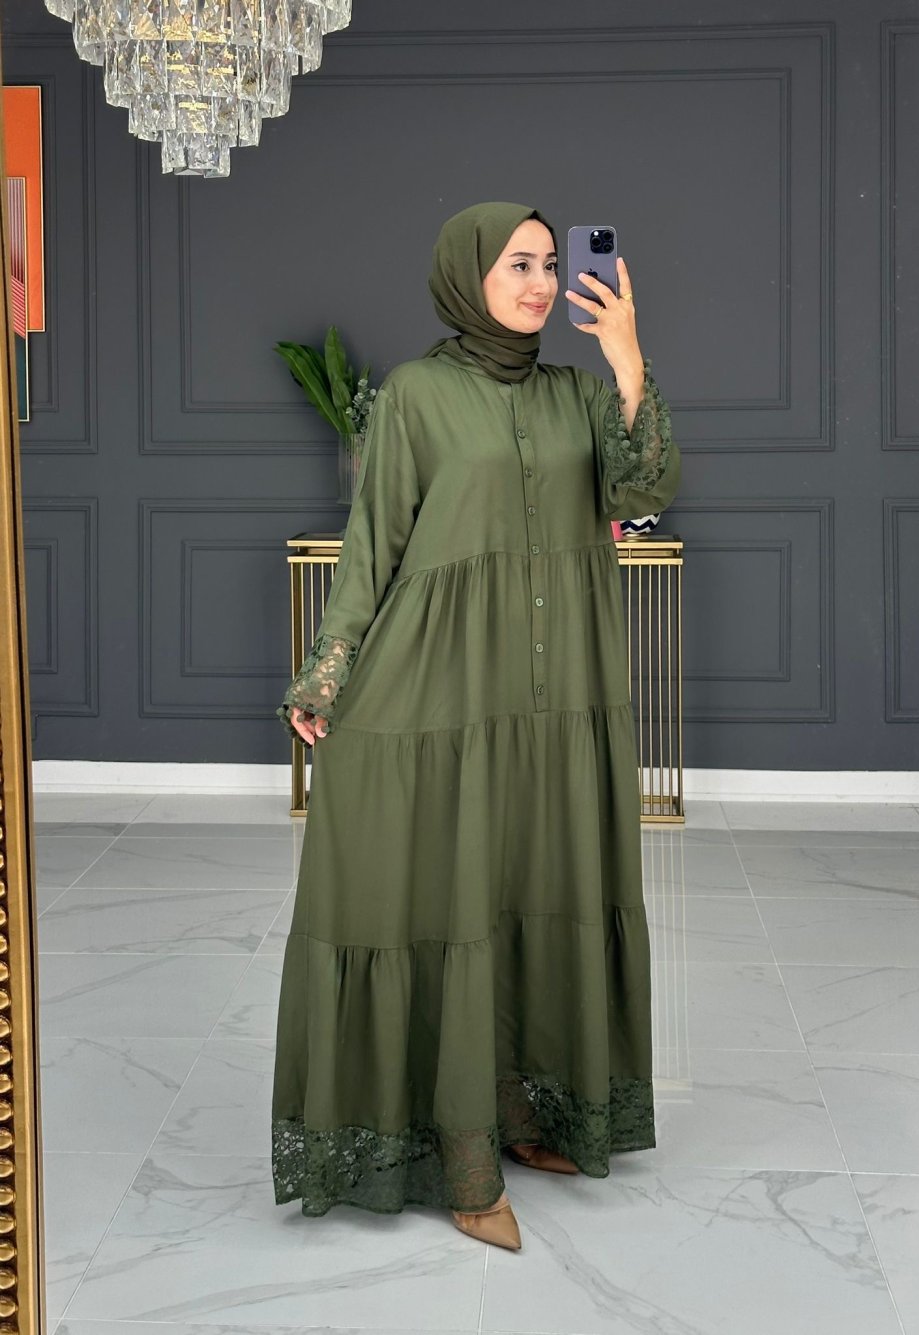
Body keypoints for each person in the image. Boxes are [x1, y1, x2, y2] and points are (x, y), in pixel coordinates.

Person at [271, 201, 681, 1252]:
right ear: (467, 275)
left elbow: (644, 490)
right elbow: (375, 543)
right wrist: (327, 673)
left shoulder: (579, 394)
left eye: (549, 264)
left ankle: (532, 1115)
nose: (540, 283)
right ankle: (461, 1158)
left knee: (538, 894)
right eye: (517, 264)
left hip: (557, 699)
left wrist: (628, 359)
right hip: (442, 690)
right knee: (453, 903)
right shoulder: (416, 395)